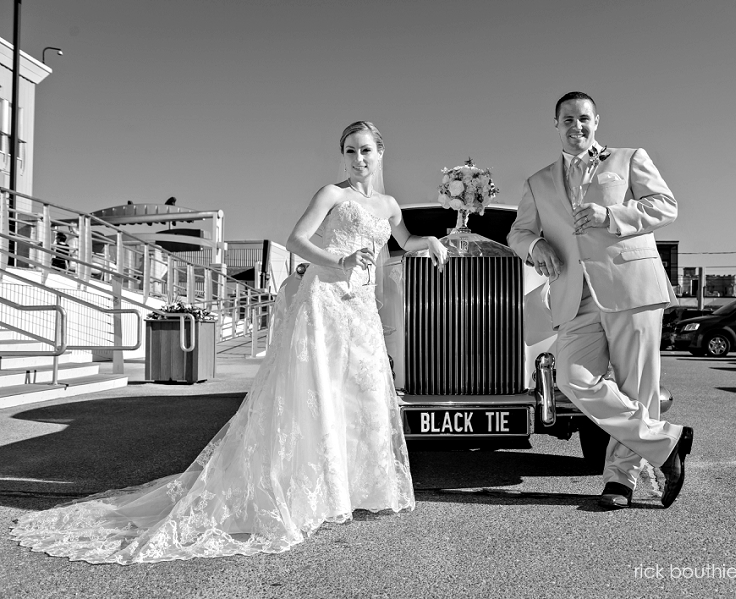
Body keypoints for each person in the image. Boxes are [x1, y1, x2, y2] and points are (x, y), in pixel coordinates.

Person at [10, 121, 448, 563]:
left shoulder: (388, 204)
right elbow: (297, 241)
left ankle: (354, 488)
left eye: (366, 151)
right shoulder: (331, 194)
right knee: (318, 392)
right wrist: (340, 259)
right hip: (327, 300)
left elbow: (400, 242)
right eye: (351, 151)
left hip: (361, 309)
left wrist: (427, 240)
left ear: (380, 152)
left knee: (358, 393)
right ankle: (315, 494)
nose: (358, 160)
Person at [508, 92, 693, 510]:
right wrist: (535, 245)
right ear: (555, 124)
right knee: (569, 378)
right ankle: (668, 442)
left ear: (596, 121)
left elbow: (665, 206)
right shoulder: (537, 182)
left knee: (637, 386)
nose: (577, 126)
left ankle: (620, 481)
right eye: (568, 119)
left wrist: (612, 216)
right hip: (575, 296)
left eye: (584, 119)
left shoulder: (628, 159)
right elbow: (517, 232)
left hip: (631, 286)